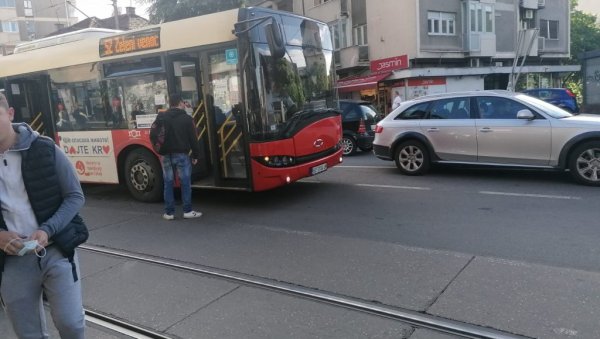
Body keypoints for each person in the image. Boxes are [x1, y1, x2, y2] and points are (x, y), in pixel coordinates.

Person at [0, 93, 86, 338]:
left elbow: (74, 196)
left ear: (10, 113)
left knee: (71, 324)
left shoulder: (44, 148)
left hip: (55, 248)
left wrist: (48, 229)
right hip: (11, 260)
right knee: (28, 333)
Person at [160, 93, 203, 220]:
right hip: (182, 155)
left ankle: (169, 213)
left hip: (166, 155)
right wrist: (195, 155)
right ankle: (187, 210)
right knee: (185, 182)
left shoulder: (162, 117)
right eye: (183, 103)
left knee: (168, 183)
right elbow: (193, 139)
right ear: (180, 103)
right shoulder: (187, 119)